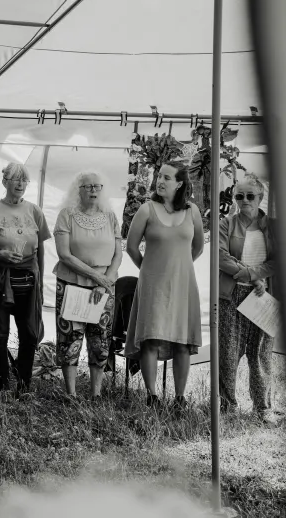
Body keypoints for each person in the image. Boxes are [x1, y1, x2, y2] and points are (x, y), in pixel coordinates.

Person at [125, 162, 204, 410]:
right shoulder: (147, 209)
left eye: (166, 177)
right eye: (159, 176)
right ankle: (152, 396)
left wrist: (178, 269)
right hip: (152, 284)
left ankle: (180, 398)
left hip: (184, 284)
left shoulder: (192, 211)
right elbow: (131, 247)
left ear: (179, 183)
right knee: (150, 338)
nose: (160, 180)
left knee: (182, 341)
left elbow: (199, 247)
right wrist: (149, 271)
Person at [0, 162, 50, 397]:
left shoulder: (35, 211)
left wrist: (40, 282)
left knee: (29, 334)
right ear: (5, 181)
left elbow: (40, 251)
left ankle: (24, 386)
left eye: (24, 180)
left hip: (28, 280)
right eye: (15, 179)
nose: (20, 184)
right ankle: (1, 385)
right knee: (0, 335)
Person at [52, 170, 122, 399]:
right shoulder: (67, 215)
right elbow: (65, 255)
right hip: (71, 284)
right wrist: (97, 277)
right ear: (78, 190)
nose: (93, 190)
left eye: (97, 186)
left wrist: (105, 282)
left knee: (100, 340)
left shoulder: (110, 216)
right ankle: (70, 394)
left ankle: (96, 393)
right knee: (70, 340)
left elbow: (117, 256)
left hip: (103, 289)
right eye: (88, 186)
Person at [218, 174, 278, 424]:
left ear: (260, 197)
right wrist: (252, 276)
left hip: (262, 295)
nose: (244, 200)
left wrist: (254, 275)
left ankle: (263, 408)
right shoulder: (226, 223)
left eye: (249, 195)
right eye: (239, 195)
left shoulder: (273, 227)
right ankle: (228, 405)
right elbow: (219, 257)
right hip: (231, 295)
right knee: (229, 353)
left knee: (261, 354)